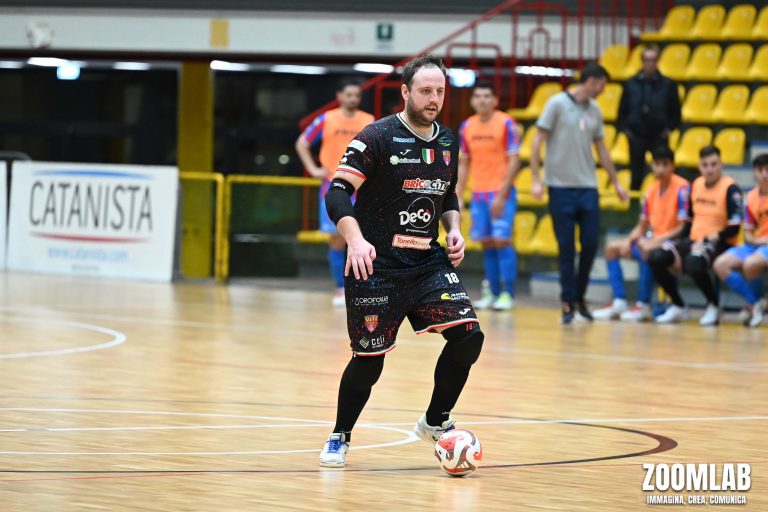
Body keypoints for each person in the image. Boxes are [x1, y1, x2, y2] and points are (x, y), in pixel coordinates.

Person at [318, 55, 483, 468]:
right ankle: (340, 434)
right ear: (406, 92)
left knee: (469, 336)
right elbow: (337, 193)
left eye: (439, 91)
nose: (433, 99)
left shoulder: (447, 141)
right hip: (376, 266)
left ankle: (435, 420)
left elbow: (447, 194)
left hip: (427, 262)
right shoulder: (377, 136)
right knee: (368, 363)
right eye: (425, 91)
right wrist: (355, 241)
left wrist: (454, 229)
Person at [530, 62, 629, 324]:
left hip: (588, 187)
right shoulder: (556, 104)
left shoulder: (595, 110)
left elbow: (602, 149)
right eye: (602, 85)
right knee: (566, 247)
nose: (603, 90)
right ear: (592, 81)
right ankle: (567, 301)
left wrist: (616, 182)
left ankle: (580, 297)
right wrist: (536, 179)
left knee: (590, 244)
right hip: (560, 187)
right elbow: (537, 140)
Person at [295, 80, 375, 306]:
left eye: (357, 95)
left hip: (363, 188)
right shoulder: (326, 119)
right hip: (333, 187)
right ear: (339, 96)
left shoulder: (369, 121)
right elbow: (302, 143)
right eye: (349, 95)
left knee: (364, 239)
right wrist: (313, 169)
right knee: (337, 241)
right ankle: (341, 289)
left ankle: (363, 288)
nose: (353, 99)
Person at [648, 145, 743, 326]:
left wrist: (708, 239)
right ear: (699, 166)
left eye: (714, 164)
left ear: (721, 164)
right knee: (657, 256)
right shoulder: (696, 185)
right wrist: (679, 246)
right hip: (693, 240)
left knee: (693, 261)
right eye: (705, 165)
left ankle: (713, 305)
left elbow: (735, 227)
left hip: (720, 243)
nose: (710, 169)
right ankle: (678, 305)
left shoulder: (731, 189)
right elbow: (689, 221)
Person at [593, 146, 689, 321]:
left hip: (673, 242)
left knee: (646, 249)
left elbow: (682, 228)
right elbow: (642, 225)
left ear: (672, 166)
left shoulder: (682, 188)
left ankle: (643, 305)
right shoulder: (651, 190)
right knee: (611, 249)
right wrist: (628, 241)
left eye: (665, 164)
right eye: (657, 164)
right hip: (652, 240)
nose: (660, 169)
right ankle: (619, 301)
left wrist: (655, 241)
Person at [456, 81, 522, 311]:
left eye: (487, 96)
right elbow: (464, 163)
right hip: (478, 194)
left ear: (495, 100)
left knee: (502, 241)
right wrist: (459, 195)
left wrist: (502, 195)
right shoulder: (467, 126)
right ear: (472, 101)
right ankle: (493, 293)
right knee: (487, 243)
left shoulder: (506, 123)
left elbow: (514, 160)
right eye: (478, 96)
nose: (482, 100)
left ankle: (508, 294)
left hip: (501, 192)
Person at [713, 154, 768, 328]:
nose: (765, 174)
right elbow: (749, 234)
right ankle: (755, 302)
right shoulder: (750, 198)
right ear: (754, 172)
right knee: (720, 264)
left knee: (750, 264)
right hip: (757, 244)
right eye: (760, 170)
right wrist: (757, 241)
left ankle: (754, 304)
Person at [617, 44, 681, 191]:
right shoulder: (630, 84)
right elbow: (622, 110)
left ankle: (665, 201)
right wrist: (627, 131)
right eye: (646, 59)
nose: (649, 63)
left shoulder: (668, 84)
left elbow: (676, 111)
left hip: (659, 136)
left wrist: (668, 130)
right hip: (636, 136)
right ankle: (633, 205)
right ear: (642, 61)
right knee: (636, 176)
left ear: (657, 61)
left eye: (653, 60)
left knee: (663, 173)